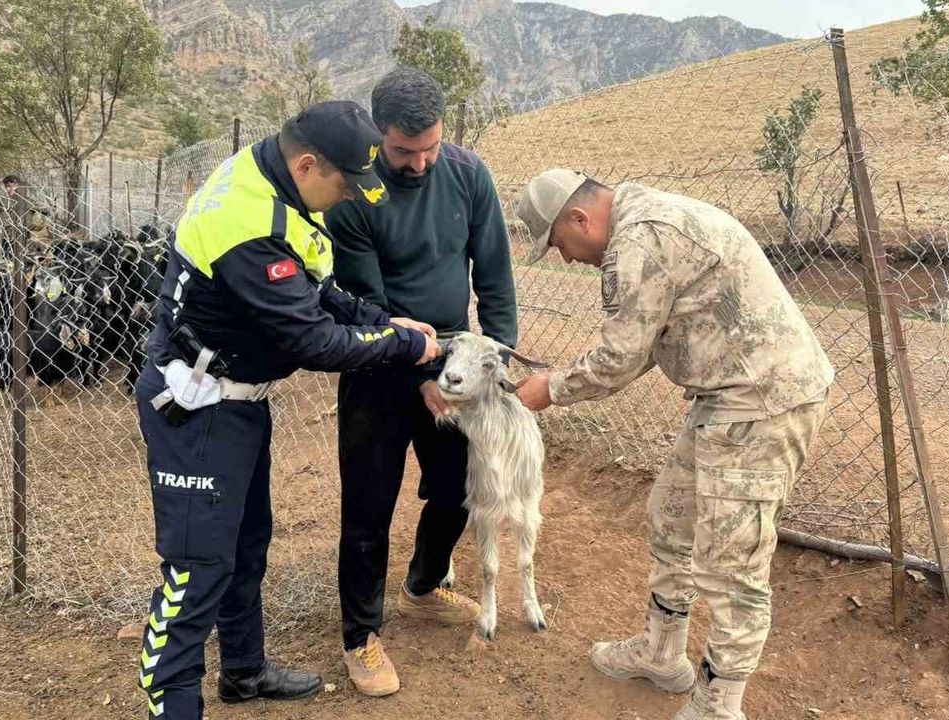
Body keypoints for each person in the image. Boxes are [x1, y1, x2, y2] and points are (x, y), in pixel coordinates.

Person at [133, 100, 441, 720]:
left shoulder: (272, 179)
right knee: (196, 570)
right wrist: (404, 343)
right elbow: (314, 340)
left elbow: (316, 288)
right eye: (345, 184)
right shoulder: (246, 224)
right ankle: (173, 707)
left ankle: (243, 672)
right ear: (307, 165)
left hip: (239, 402)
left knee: (246, 545)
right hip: (198, 408)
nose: (349, 196)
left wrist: (384, 320)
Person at [513, 169, 834, 720]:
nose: (566, 257)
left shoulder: (639, 239)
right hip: (727, 396)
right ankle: (662, 652)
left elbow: (620, 357)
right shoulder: (645, 218)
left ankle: (719, 704)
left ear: (579, 219)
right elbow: (642, 344)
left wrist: (553, 389)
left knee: (732, 563)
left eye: (560, 244)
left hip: (762, 400)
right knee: (671, 517)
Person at [324, 67, 517, 696]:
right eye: (405, 151)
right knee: (369, 507)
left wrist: (495, 365)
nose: (420, 162)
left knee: (461, 486)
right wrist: (419, 378)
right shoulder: (353, 192)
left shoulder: (468, 174)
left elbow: (494, 276)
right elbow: (366, 304)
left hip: (455, 369)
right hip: (377, 368)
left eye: (430, 146)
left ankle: (424, 585)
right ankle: (360, 635)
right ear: (379, 135)